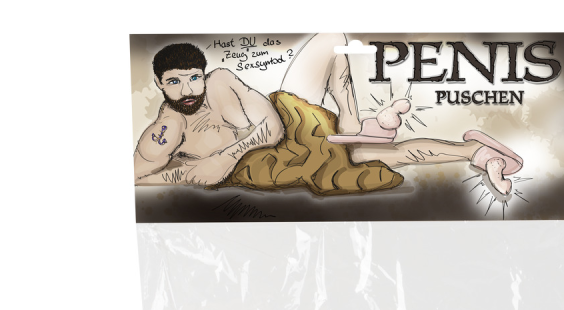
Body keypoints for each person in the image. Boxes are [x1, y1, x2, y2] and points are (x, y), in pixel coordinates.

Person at [134, 34, 517, 195]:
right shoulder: (166, 130)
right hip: (276, 160)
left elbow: (271, 127)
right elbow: (134, 176)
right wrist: (182, 173)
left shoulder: (220, 81)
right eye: (174, 82)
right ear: (159, 85)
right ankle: (476, 153)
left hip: (289, 118)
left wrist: (222, 158)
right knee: (373, 155)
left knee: (332, 37)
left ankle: (351, 118)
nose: (188, 90)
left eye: (193, 78)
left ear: (202, 74)